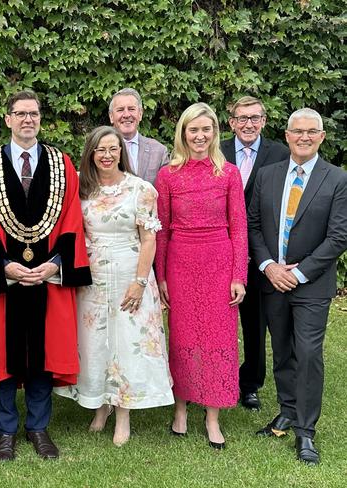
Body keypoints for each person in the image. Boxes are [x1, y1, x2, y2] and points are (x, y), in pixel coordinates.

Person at [0, 90, 91, 462]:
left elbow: (71, 218)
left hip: (46, 278)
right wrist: (5, 266)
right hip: (4, 279)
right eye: (19, 113)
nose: (27, 120)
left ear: (40, 119)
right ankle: (5, 430)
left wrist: (54, 264)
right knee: (1, 355)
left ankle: (38, 427)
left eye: (33, 114)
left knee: (44, 354)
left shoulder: (61, 162)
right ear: (7, 119)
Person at [55, 126, 173, 446]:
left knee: (125, 342)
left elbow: (149, 239)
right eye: (100, 150)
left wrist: (138, 282)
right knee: (95, 342)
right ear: (91, 153)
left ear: (121, 151)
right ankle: (100, 404)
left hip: (129, 271)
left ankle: (123, 414)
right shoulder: (81, 188)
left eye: (113, 149)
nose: (107, 155)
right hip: (92, 276)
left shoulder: (141, 189)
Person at [248, 108, 347, 465]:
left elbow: (338, 236)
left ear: (322, 137)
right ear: (287, 136)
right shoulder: (267, 175)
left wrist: (299, 273)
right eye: (297, 131)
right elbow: (254, 225)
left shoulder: (337, 179)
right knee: (283, 352)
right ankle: (287, 410)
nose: (303, 137)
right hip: (273, 280)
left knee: (307, 354)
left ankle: (306, 431)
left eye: (311, 132)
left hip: (311, 286)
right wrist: (269, 266)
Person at [154, 102, 247, 450]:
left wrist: (239, 275)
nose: (199, 135)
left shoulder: (229, 174)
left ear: (215, 133)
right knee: (181, 338)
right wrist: (160, 276)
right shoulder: (167, 175)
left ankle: (212, 417)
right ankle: (180, 409)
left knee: (218, 339)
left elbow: (239, 228)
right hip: (180, 262)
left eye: (206, 129)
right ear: (183, 133)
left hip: (219, 262)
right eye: (193, 129)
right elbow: (161, 230)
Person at [220, 96, 290, 411]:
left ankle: (249, 383)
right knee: (214, 319)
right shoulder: (215, 150)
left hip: (261, 249)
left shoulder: (280, 154)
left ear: (264, 120)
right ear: (231, 121)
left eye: (255, 118)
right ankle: (208, 378)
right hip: (219, 247)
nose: (249, 124)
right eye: (242, 118)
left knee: (255, 320)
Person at [108, 88, 169, 184]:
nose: (127, 114)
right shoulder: (100, 151)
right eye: (120, 110)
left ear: (140, 114)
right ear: (111, 116)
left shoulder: (159, 151)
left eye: (131, 109)